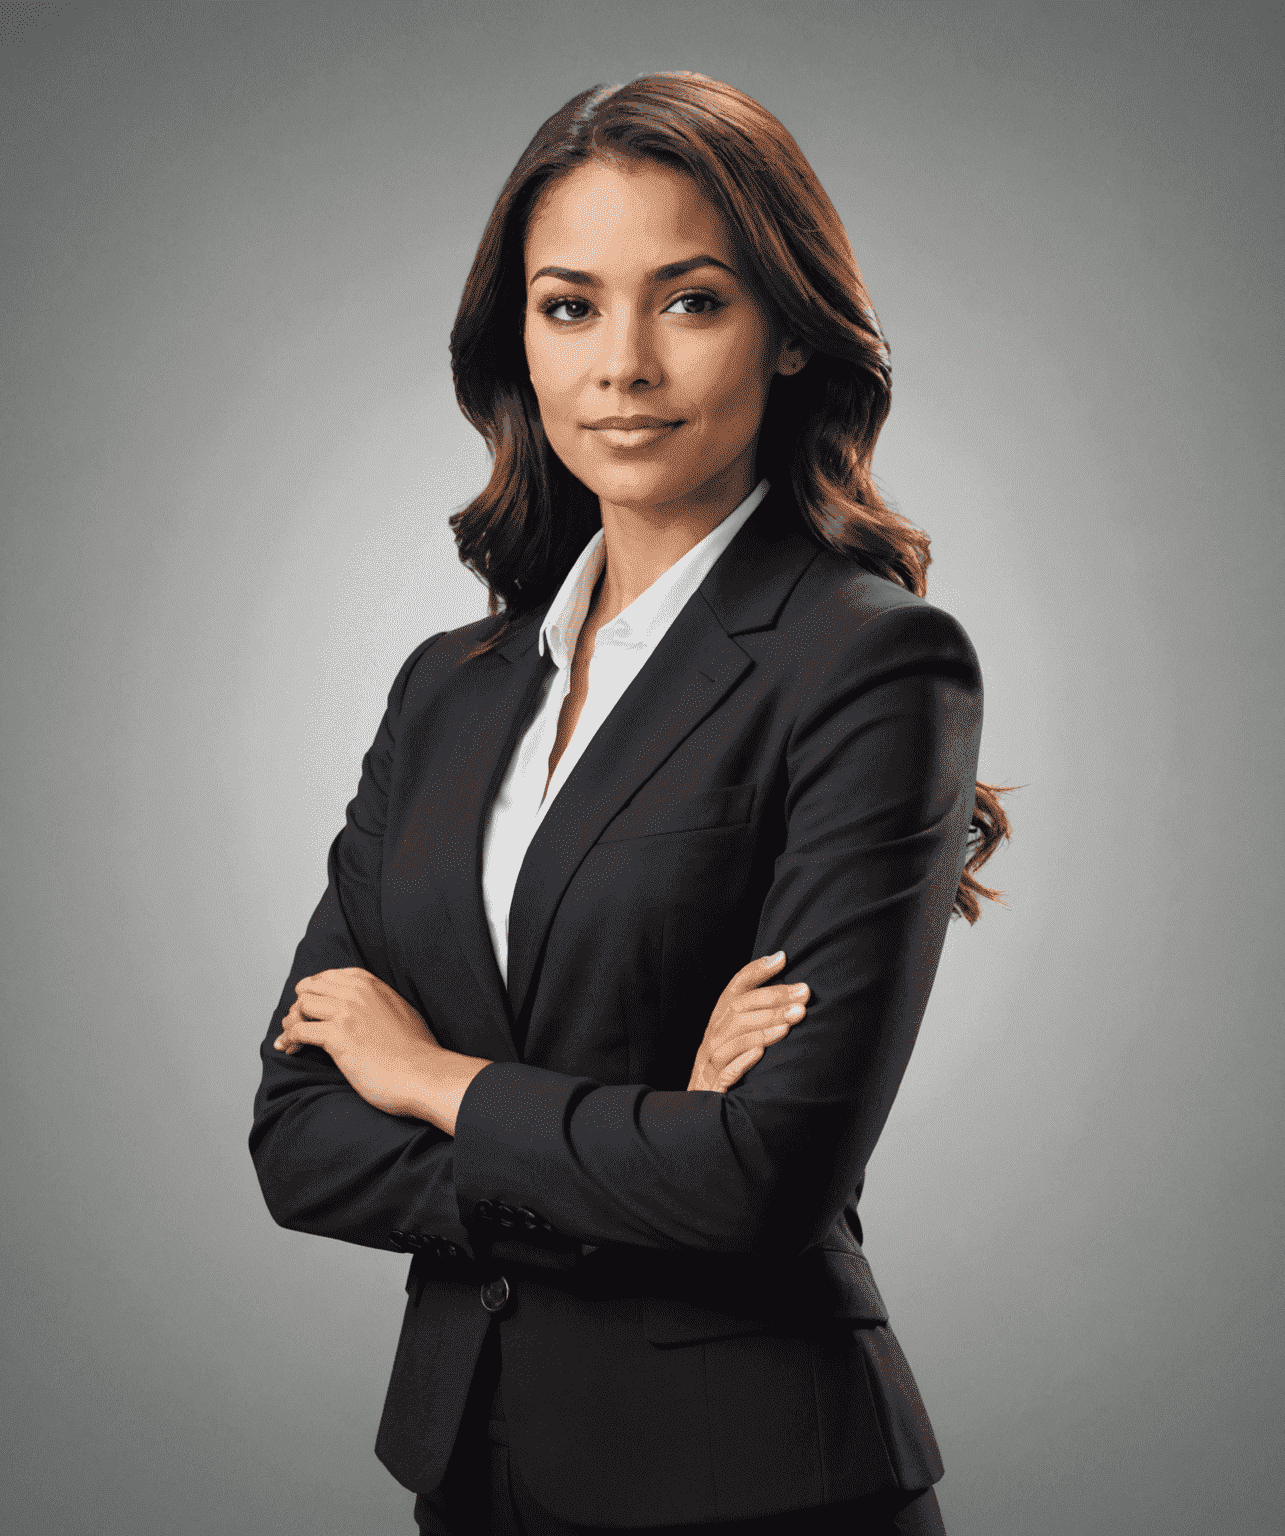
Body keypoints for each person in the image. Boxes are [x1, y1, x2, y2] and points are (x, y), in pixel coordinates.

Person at [250, 70, 1012, 1536]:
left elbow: (760, 1184)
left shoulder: (869, 660)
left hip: (761, 1490)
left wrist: (433, 1079)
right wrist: (651, 1128)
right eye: (570, 305)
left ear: (789, 332)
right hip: (472, 1474)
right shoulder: (449, 690)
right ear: (517, 344)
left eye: (692, 301)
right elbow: (295, 1133)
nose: (624, 367)